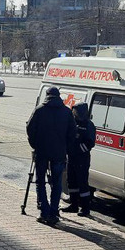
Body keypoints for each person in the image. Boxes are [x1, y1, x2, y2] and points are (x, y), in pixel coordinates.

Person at [26, 86, 76, 226]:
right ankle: (54, 213)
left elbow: (30, 129)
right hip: (59, 153)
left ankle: (44, 212)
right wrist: (65, 147)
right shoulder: (66, 111)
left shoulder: (40, 110)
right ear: (58, 96)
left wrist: (35, 145)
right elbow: (72, 133)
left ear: (47, 96)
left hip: (42, 152)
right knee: (57, 183)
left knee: (40, 181)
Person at [61, 102, 96, 217]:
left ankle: (85, 209)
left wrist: (77, 150)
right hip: (71, 158)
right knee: (71, 181)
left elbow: (90, 143)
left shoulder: (88, 125)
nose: (73, 113)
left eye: (75, 111)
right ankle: (74, 205)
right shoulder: (73, 122)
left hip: (82, 159)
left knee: (82, 184)